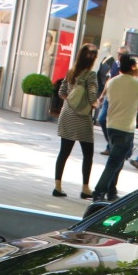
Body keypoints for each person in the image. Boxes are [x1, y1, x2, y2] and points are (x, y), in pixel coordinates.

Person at [90, 53, 138, 203]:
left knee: (118, 160)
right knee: (114, 161)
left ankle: (111, 191)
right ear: (133, 67)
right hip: (126, 127)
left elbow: (110, 98)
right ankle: (99, 191)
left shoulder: (113, 82)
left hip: (112, 125)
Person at [53, 43, 99, 199]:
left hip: (67, 114)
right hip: (82, 118)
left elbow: (61, 92)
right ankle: (85, 188)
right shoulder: (90, 75)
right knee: (88, 154)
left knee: (63, 153)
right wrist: (97, 104)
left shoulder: (71, 72)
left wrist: (72, 102)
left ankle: (57, 187)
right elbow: (92, 97)